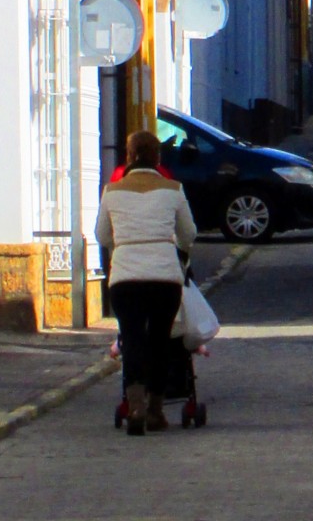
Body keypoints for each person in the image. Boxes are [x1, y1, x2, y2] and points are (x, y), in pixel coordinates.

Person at [95, 130, 197, 435]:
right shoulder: (173, 189)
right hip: (164, 277)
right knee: (160, 342)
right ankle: (155, 409)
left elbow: (101, 236)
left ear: (128, 156)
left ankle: (135, 406)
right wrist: (173, 245)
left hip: (125, 278)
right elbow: (189, 233)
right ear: (158, 158)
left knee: (132, 339)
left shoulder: (111, 191)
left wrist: (123, 244)